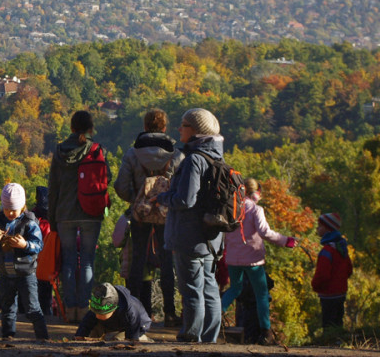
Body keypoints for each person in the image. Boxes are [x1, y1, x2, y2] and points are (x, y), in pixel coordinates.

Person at [156, 108, 224, 343]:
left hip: (189, 236)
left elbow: (186, 200)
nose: (179, 129)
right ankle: (210, 338)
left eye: (183, 125)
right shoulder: (217, 156)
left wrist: (163, 197)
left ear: (195, 131)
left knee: (192, 289)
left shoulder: (194, 159)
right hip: (211, 238)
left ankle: (191, 336)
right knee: (210, 288)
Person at [113, 108, 182, 326]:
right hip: (165, 213)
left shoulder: (133, 154)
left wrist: (137, 200)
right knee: (166, 260)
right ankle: (170, 313)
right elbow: (182, 188)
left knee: (138, 261)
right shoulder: (176, 155)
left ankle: (132, 312)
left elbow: (121, 186)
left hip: (140, 214)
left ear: (144, 127)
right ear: (164, 128)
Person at [219, 177, 296, 345]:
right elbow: (264, 232)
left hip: (232, 258)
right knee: (261, 295)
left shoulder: (231, 209)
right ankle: (265, 333)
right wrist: (286, 241)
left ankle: (215, 321)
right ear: (255, 193)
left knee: (234, 289)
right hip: (253, 260)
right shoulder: (255, 210)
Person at [46, 110, 107, 322]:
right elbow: (103, 182)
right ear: (90, 128)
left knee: (69, 262)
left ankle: (70, 310)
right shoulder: (96, 149)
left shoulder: (60, 151)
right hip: (91, 212)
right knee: (88, 262)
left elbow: (53, 188)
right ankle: (84, 309)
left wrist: (52, 218)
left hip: (64, 212)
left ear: (72, 128)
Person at [0, 183, 50, 340]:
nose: (9, 212)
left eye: (13, 209)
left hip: (25, 273)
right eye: (6, 208)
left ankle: (43, 338)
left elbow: (39, 245)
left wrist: (25, 245)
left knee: (32, 308)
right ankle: (7, 337)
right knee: (7, 308)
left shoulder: (29, 222)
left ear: (22, 206)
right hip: (5, 272)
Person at [312, 212, 353, 330]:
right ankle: (338, 341)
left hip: (328, 295)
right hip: (341, 293)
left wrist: (315, 285)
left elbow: (322, 275)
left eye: (319, 226)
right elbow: (349, 269)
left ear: (327, 229)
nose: (317, 229)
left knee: (328, 323)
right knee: (338, 322)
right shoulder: (342, 249)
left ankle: (329, 343)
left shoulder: (327, 251)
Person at [74, 282, 152, 342]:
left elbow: (132, 339)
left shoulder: (130, 310)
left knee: (118, 340)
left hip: (137, 327)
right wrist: (80, 335)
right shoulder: (99, 302)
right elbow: (87, 321)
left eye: (102, 313)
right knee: (93, 333)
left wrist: (132, 340)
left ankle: (143, 338)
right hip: (112, 323)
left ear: (114, 308)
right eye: (96, 313)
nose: (97, 315)